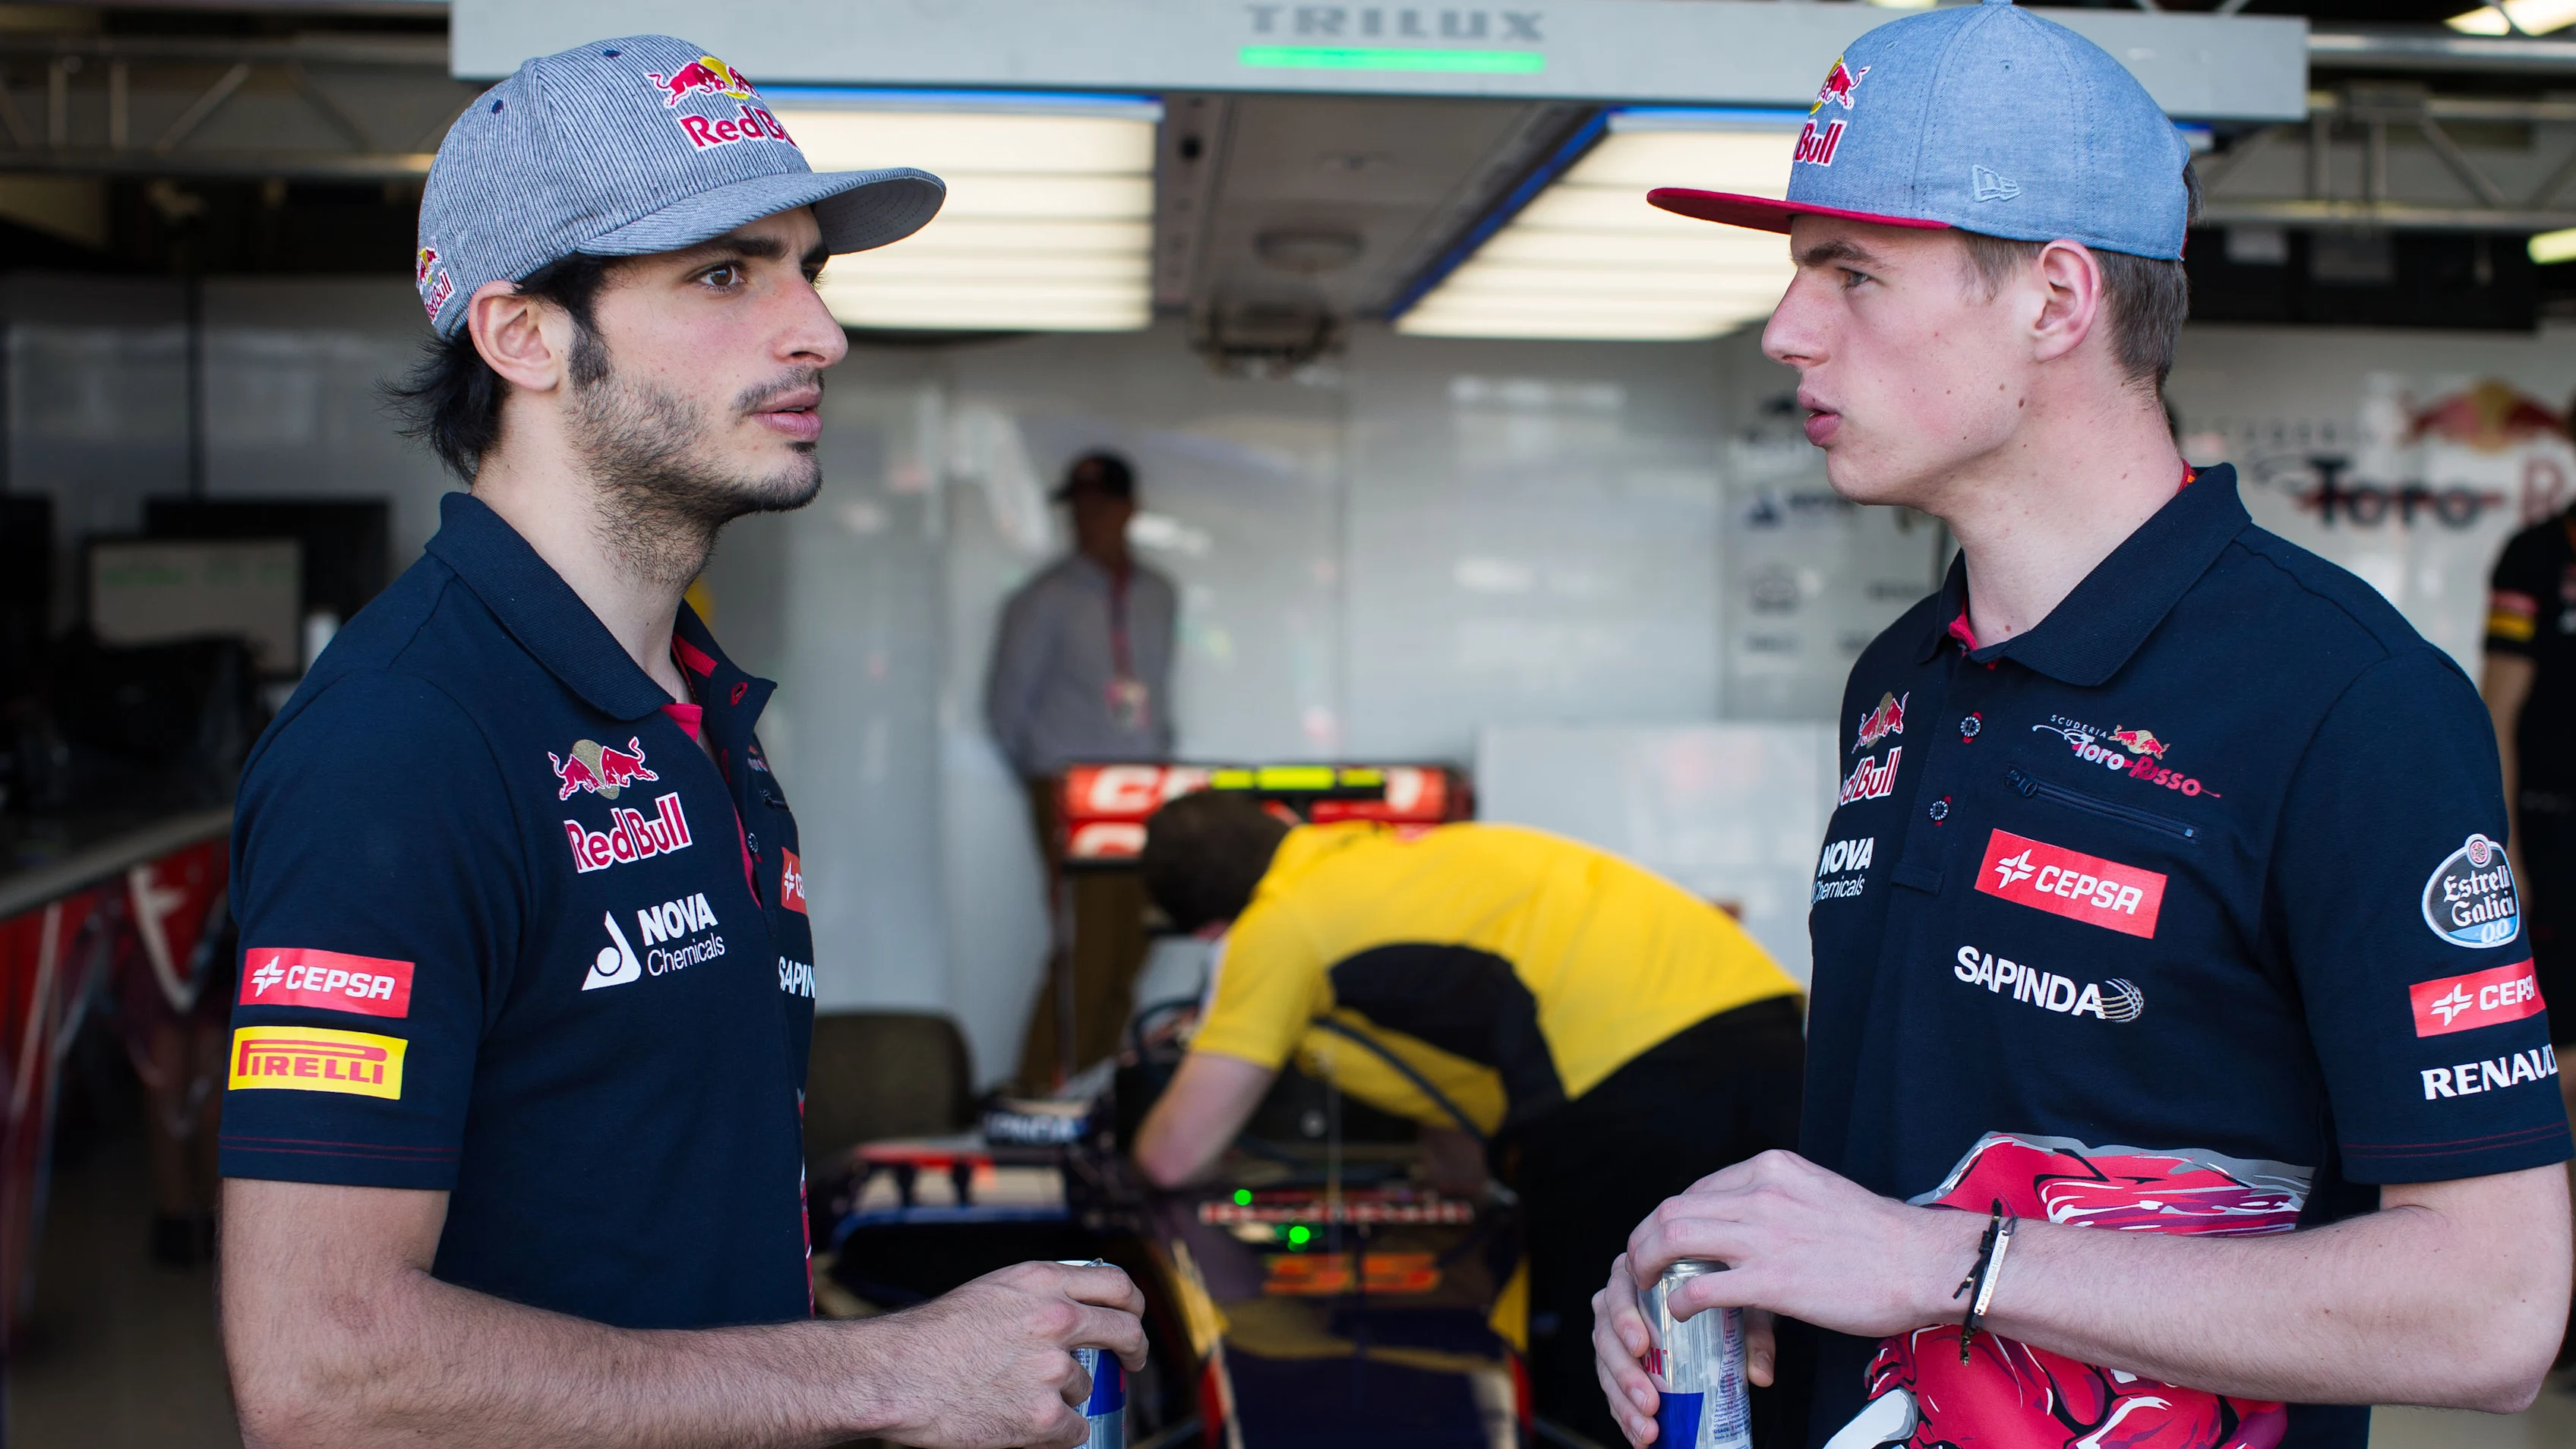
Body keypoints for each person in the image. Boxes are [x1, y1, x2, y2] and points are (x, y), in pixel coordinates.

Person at [1593, 5, 2573, 1449]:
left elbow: (2493, 1310)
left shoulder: (2350, 702)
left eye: (1850, 272)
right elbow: (1910, 1183)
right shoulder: (1899, 680)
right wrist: (1758, 1279)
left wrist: (1946, 1266)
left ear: (2056, 300)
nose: (1787, 329)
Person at [217, 36, 1142, 1449]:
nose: (817, 332)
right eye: (724, 275)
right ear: (522, 334)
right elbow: (321, 1370)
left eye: (808, 269)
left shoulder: (692, 708)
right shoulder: (404, 742)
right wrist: (884, 1377)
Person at [1129, 789, 1805, 1447]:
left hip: (1633, 1077)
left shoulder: (1279, 922)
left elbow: (1173, 1155)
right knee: (1776, 1330)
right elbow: (1455, 1077)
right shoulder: (1373, 865)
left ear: (1208, 932)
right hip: (1767, 1023)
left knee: (1618, 1370)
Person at [985, 450, 1179, 1091]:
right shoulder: (1044, 599)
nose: (1089, 519)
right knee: (1086, 946)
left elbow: (1156, 692)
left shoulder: (1158, 595)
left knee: (1132, 945)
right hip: (1072, 789)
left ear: (1129, 509)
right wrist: (1048, 782)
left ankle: (1094, 1089)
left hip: (1143, 788)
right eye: (1080, 507)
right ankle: (1036, 1096)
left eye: (1101, 505)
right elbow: (1007, 709)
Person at [2480, 485, 2576, 1365]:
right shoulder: (2539, 554)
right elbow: (2498, 709)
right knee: (2558, 1071)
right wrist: (2503, 847)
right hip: (2552, 839)